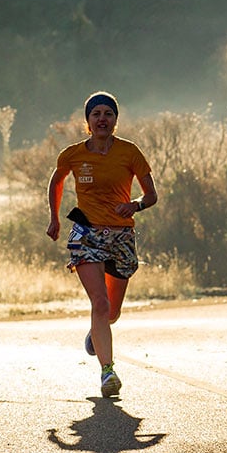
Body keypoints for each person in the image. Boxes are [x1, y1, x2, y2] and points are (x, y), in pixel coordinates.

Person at [47, 91, 158, 398]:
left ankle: (97, 334)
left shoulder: (129, 152)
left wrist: (134, 205)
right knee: (100, 303)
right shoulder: (72, 154)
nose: (102, 119)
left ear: (115, 120)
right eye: (96, 114)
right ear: (88, 121)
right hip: (86, 232)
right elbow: (56, 181)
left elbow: (151, 195)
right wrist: (55, 219)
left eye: (108, 114)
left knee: (112, 312)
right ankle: (107, 372)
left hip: (121, 235)